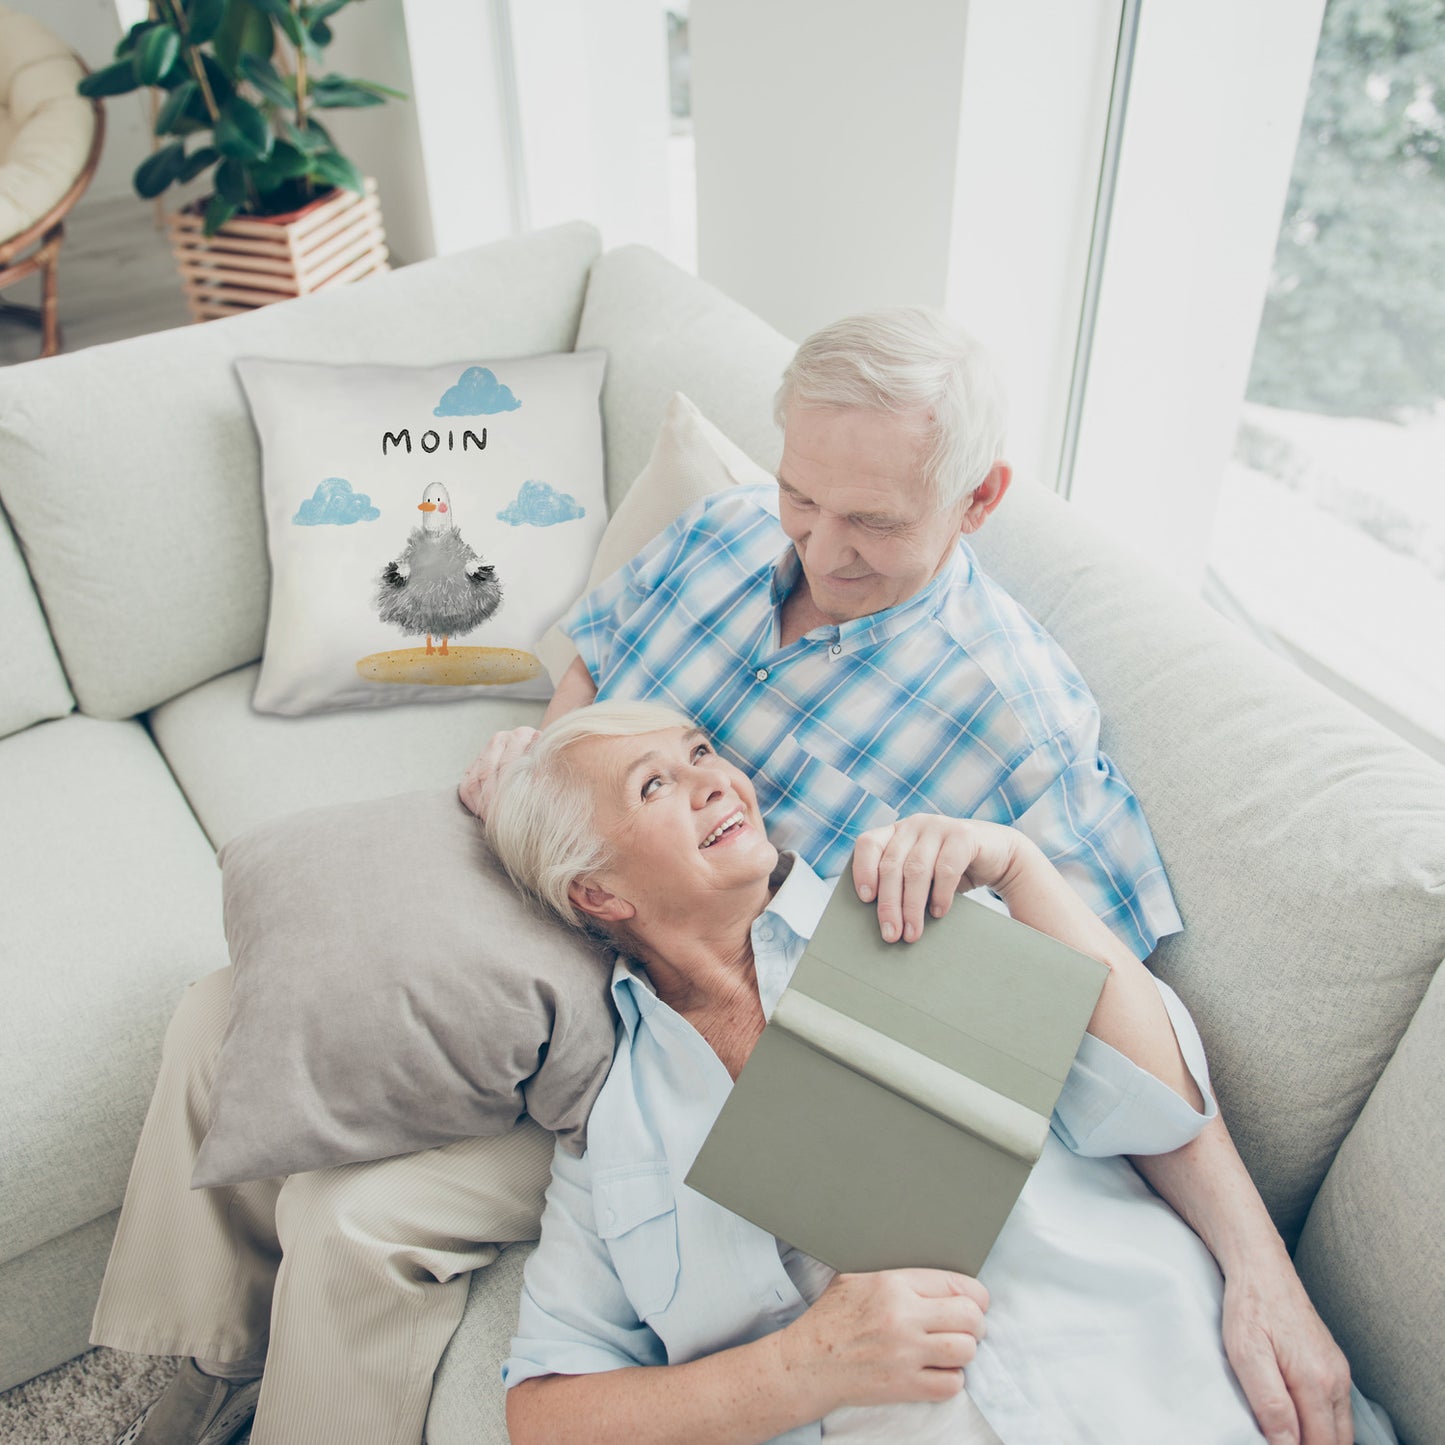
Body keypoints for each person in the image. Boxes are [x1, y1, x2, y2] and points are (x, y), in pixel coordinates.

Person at [94, 309, 1348, 1445]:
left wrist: (1260, 1266)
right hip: (579, 887)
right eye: (804, 495)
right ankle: (191, 1364)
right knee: (229, 1007)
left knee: (355, 1218)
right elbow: (594, 667)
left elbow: (1103, 1020)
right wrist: (544, 764)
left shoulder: (1016, 724)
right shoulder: (725, 532)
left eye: (871, 521)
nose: (818, 545)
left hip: (693, 1012)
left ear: (976, 501)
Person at [486, 701, 1385, 1445]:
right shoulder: (615, 1132)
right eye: (655, 784)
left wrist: (1021, 869)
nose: (714, 779)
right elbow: (545, 1413)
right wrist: (803, 1367)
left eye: (700, 751)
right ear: (597, 893)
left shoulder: (909, 907)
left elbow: (1158, 1106)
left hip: (1173, 1393)